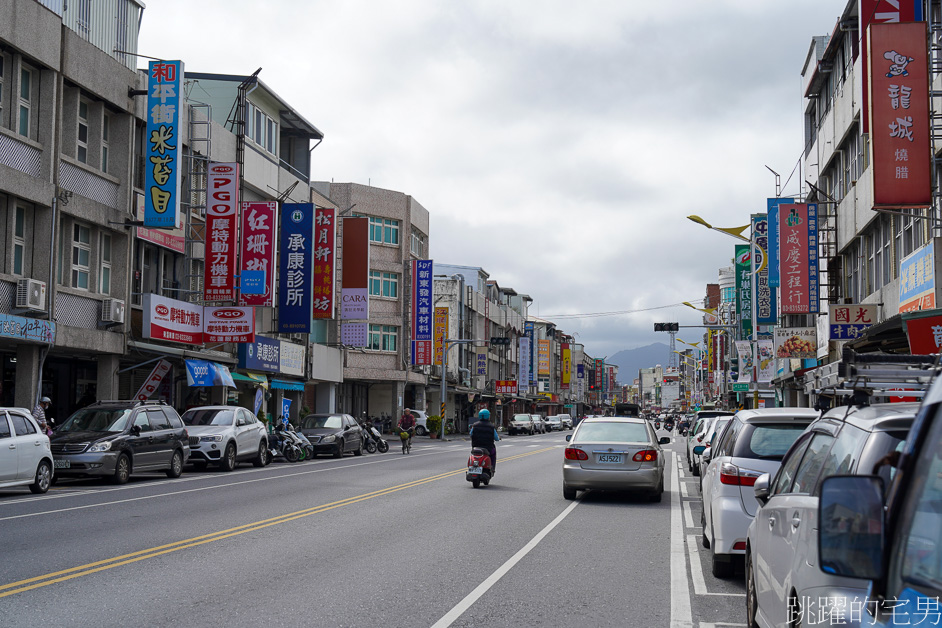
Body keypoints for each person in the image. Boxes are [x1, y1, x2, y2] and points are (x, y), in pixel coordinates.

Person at [470, 409, 500, 475]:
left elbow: (471, 434)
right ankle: (492, 468)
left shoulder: (475, 425)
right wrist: (498, 439)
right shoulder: (491, 426)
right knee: (493, 454)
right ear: (488, 416)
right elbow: (496, 438)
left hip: (476, 447)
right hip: (488, 448)